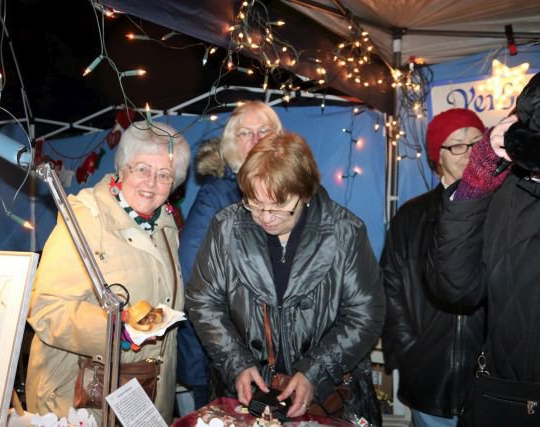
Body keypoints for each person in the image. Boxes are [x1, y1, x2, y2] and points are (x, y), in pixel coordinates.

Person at [186, 131, 385, 425]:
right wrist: (236, 363)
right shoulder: (225, 227)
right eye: (254, 204)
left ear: (305, 193)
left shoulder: (346, 231)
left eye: (279, 207)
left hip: (328, 396)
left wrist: (314, 372)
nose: (266, 217)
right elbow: (204, 302)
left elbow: (365, 314)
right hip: (246, 393)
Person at [26, 121, 191, 424]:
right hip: (81, 401)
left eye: (164, 175)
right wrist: (116, 331)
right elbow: (45, 308)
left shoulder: (167, 228)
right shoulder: (84, 220)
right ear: (123, 167)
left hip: (146, 398)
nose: (151, 182)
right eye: (142, 169)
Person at [431, 72, 540, 426]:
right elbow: (457, 287)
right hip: (506, 397)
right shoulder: (509, 192)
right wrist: (474, 188)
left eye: (471, 143)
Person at [381, 109, 486, 427]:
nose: (468, 153)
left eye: (476, 143)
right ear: (436, 156)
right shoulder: (412, 216)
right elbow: (389, 287)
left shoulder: (504, 210)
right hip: (428, 378)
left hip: (491, 385)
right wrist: (410, 350)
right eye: (457, 145)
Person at [177, 101, 282, 410]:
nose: (256, 140)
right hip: (216, 353)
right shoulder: (218, 195)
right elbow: (191, 273)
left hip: (270, 353)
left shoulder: (288, 192)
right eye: (245, 133)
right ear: (232, 144)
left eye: (264, 131)